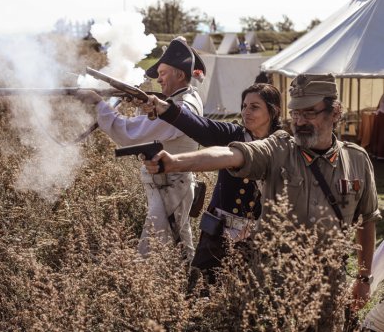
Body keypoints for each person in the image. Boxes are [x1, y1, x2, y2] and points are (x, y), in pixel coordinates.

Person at [143, 74, 380, 321]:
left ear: (336, 112)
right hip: (276, 285)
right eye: (296, 113)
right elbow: (231, 155)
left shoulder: (357, 160)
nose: (299, 121)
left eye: (309, 112)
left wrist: (363, 278)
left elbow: (367, 220)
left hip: (329, 285)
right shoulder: (279, 148)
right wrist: (176, 162)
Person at [142, 83, 282, 291]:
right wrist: (163, 107)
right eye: (244, 106)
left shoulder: (284, 145)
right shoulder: (232, 135)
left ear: (273, 110)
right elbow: (201, 127)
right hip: (218, 232)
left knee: (249, 294)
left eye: (254, 107)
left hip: (258, 237)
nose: (246, 112)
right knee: (201, 288)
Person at [77, 37, 205, 262]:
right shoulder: (186, 99)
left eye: (164, 73)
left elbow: (129, 134)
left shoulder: (181, 107)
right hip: (172, 185)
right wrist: (144, 108)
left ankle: (157, 295)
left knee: (149, 256)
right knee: (182, 252)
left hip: (171, 187)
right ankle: (192, 290)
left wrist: (99, 104)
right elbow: (154, 129)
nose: (159, 79)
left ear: (180, 74)